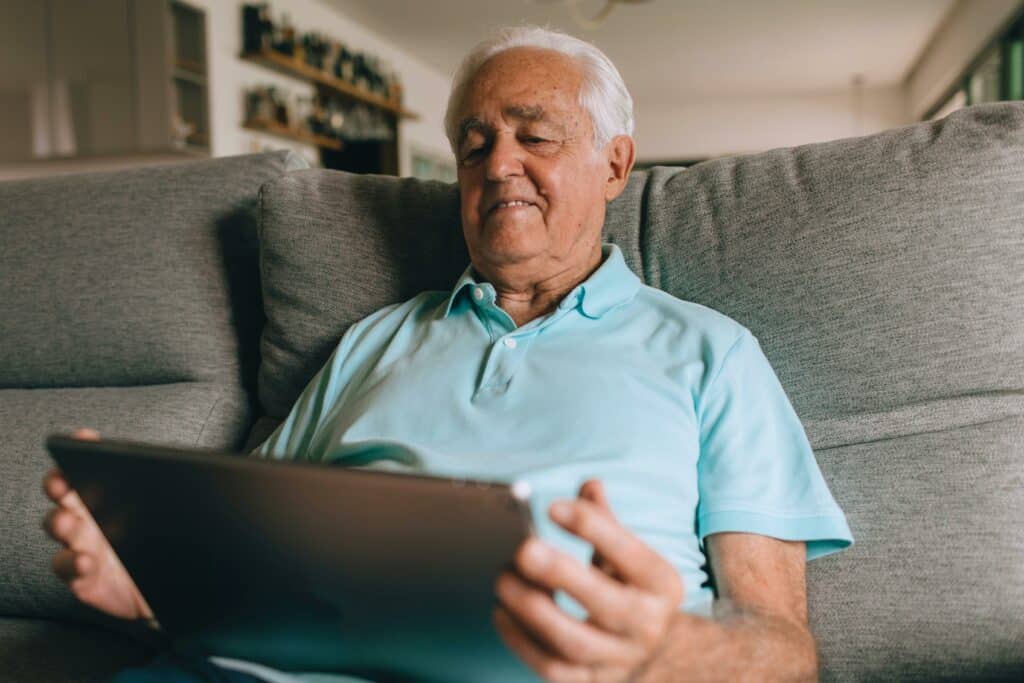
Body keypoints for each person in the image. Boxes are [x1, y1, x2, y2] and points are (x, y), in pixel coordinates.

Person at [43, 25, 852, 683]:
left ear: (614, 164)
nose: (500, 164)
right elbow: (253, 546)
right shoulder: (375, 339)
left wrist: (671, 654)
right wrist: (152, 588)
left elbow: (785, 648)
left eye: (535, 135)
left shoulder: (711, 353)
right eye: (474, 146)